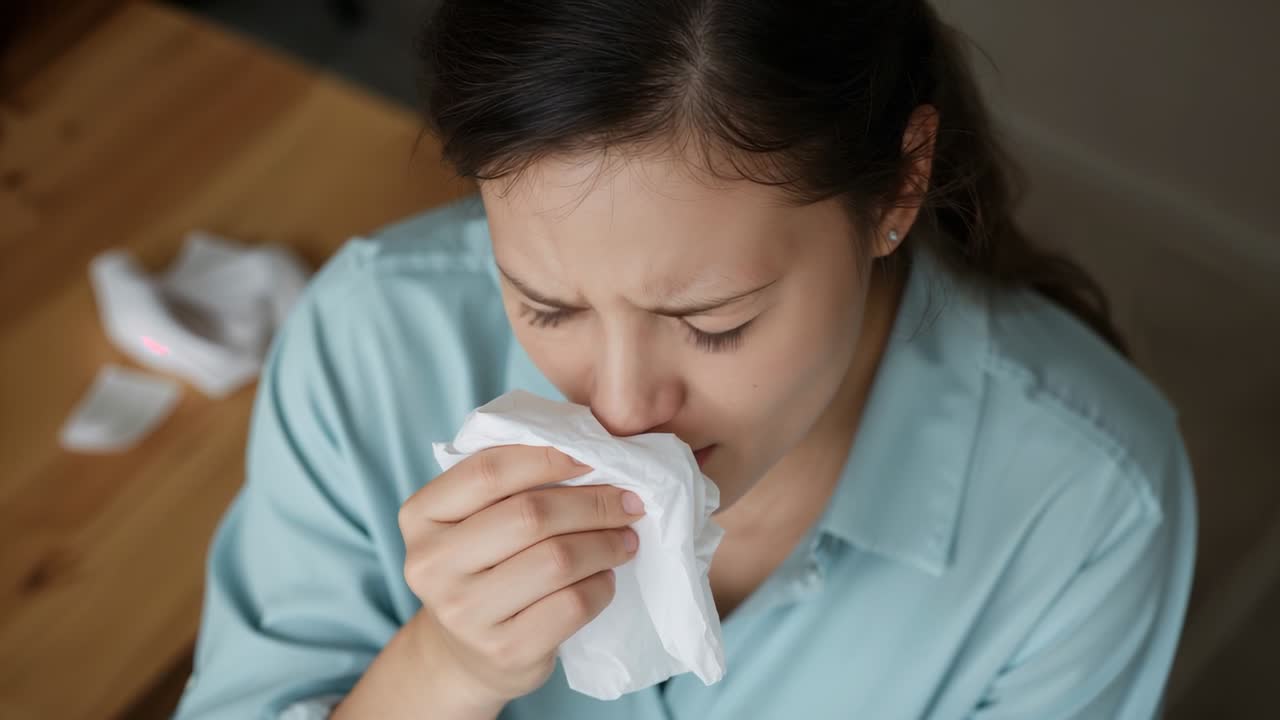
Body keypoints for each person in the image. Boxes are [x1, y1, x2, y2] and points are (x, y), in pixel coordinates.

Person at [172, 1, 1197, 718]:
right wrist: (443, 668)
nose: (621, 407)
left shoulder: (1085, 508)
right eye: (545, 305)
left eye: (714, 323)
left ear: (896, 185)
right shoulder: (373, 340)